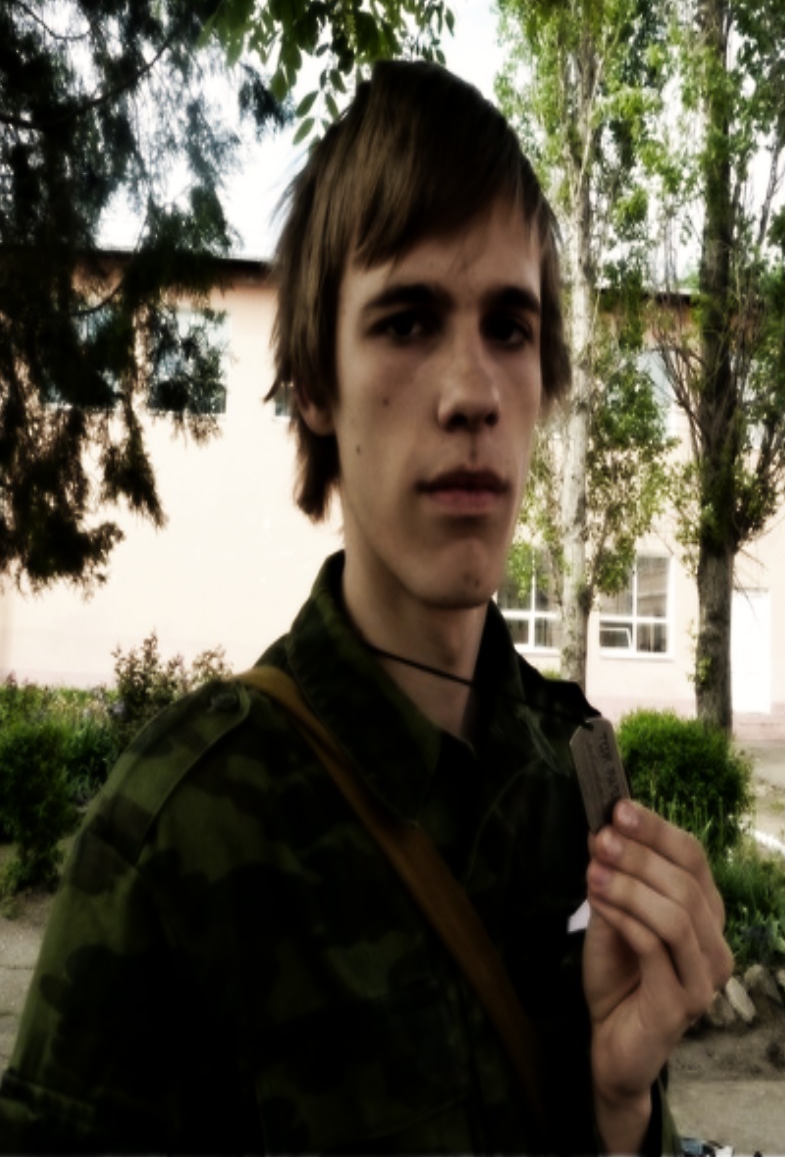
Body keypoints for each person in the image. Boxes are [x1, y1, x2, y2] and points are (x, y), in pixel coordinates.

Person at [0, 60, 731, 1155]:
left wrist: (622, 1109)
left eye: (511, 327)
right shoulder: (177, 836)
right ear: (314, 384)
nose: (472, 393)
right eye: (406, 321)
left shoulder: (576, 785)